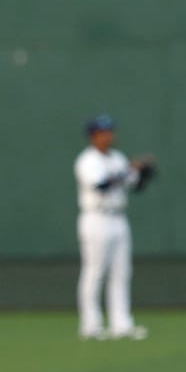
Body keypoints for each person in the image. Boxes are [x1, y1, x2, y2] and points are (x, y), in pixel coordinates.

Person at [75, 114, 156, 341]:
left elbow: (135, 184)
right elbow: (101, 185)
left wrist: (144, 173)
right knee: (96, 272)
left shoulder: (117, 158)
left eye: (110, 131)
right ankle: (91, 325)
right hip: (96, 219)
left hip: (118, 218)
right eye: (103, 132)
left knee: (121, 272)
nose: (108, 136)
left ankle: (121, 324)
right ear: (93, 136)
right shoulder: (87, 160)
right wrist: (130, 168)